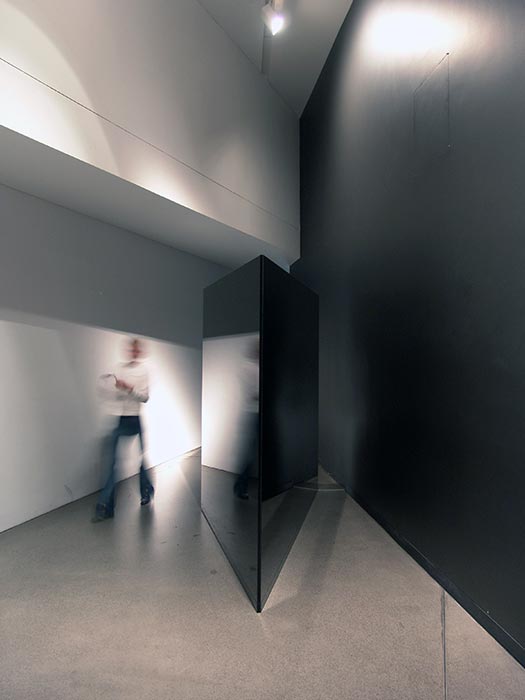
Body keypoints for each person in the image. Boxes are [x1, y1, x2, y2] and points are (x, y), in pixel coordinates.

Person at [92, 337, 154, 522]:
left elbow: (145, 397)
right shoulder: (119, 368)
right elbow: (115, 395)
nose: (133, 353)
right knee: (112, 463)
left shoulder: (144, 371)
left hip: (135, 418)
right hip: (121, 419)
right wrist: (116, 388)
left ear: (140, 352)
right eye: (131, 349)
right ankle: (106, 506)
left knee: (141, 460)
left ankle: (146, 491)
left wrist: (129, 389)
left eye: (136, 350)